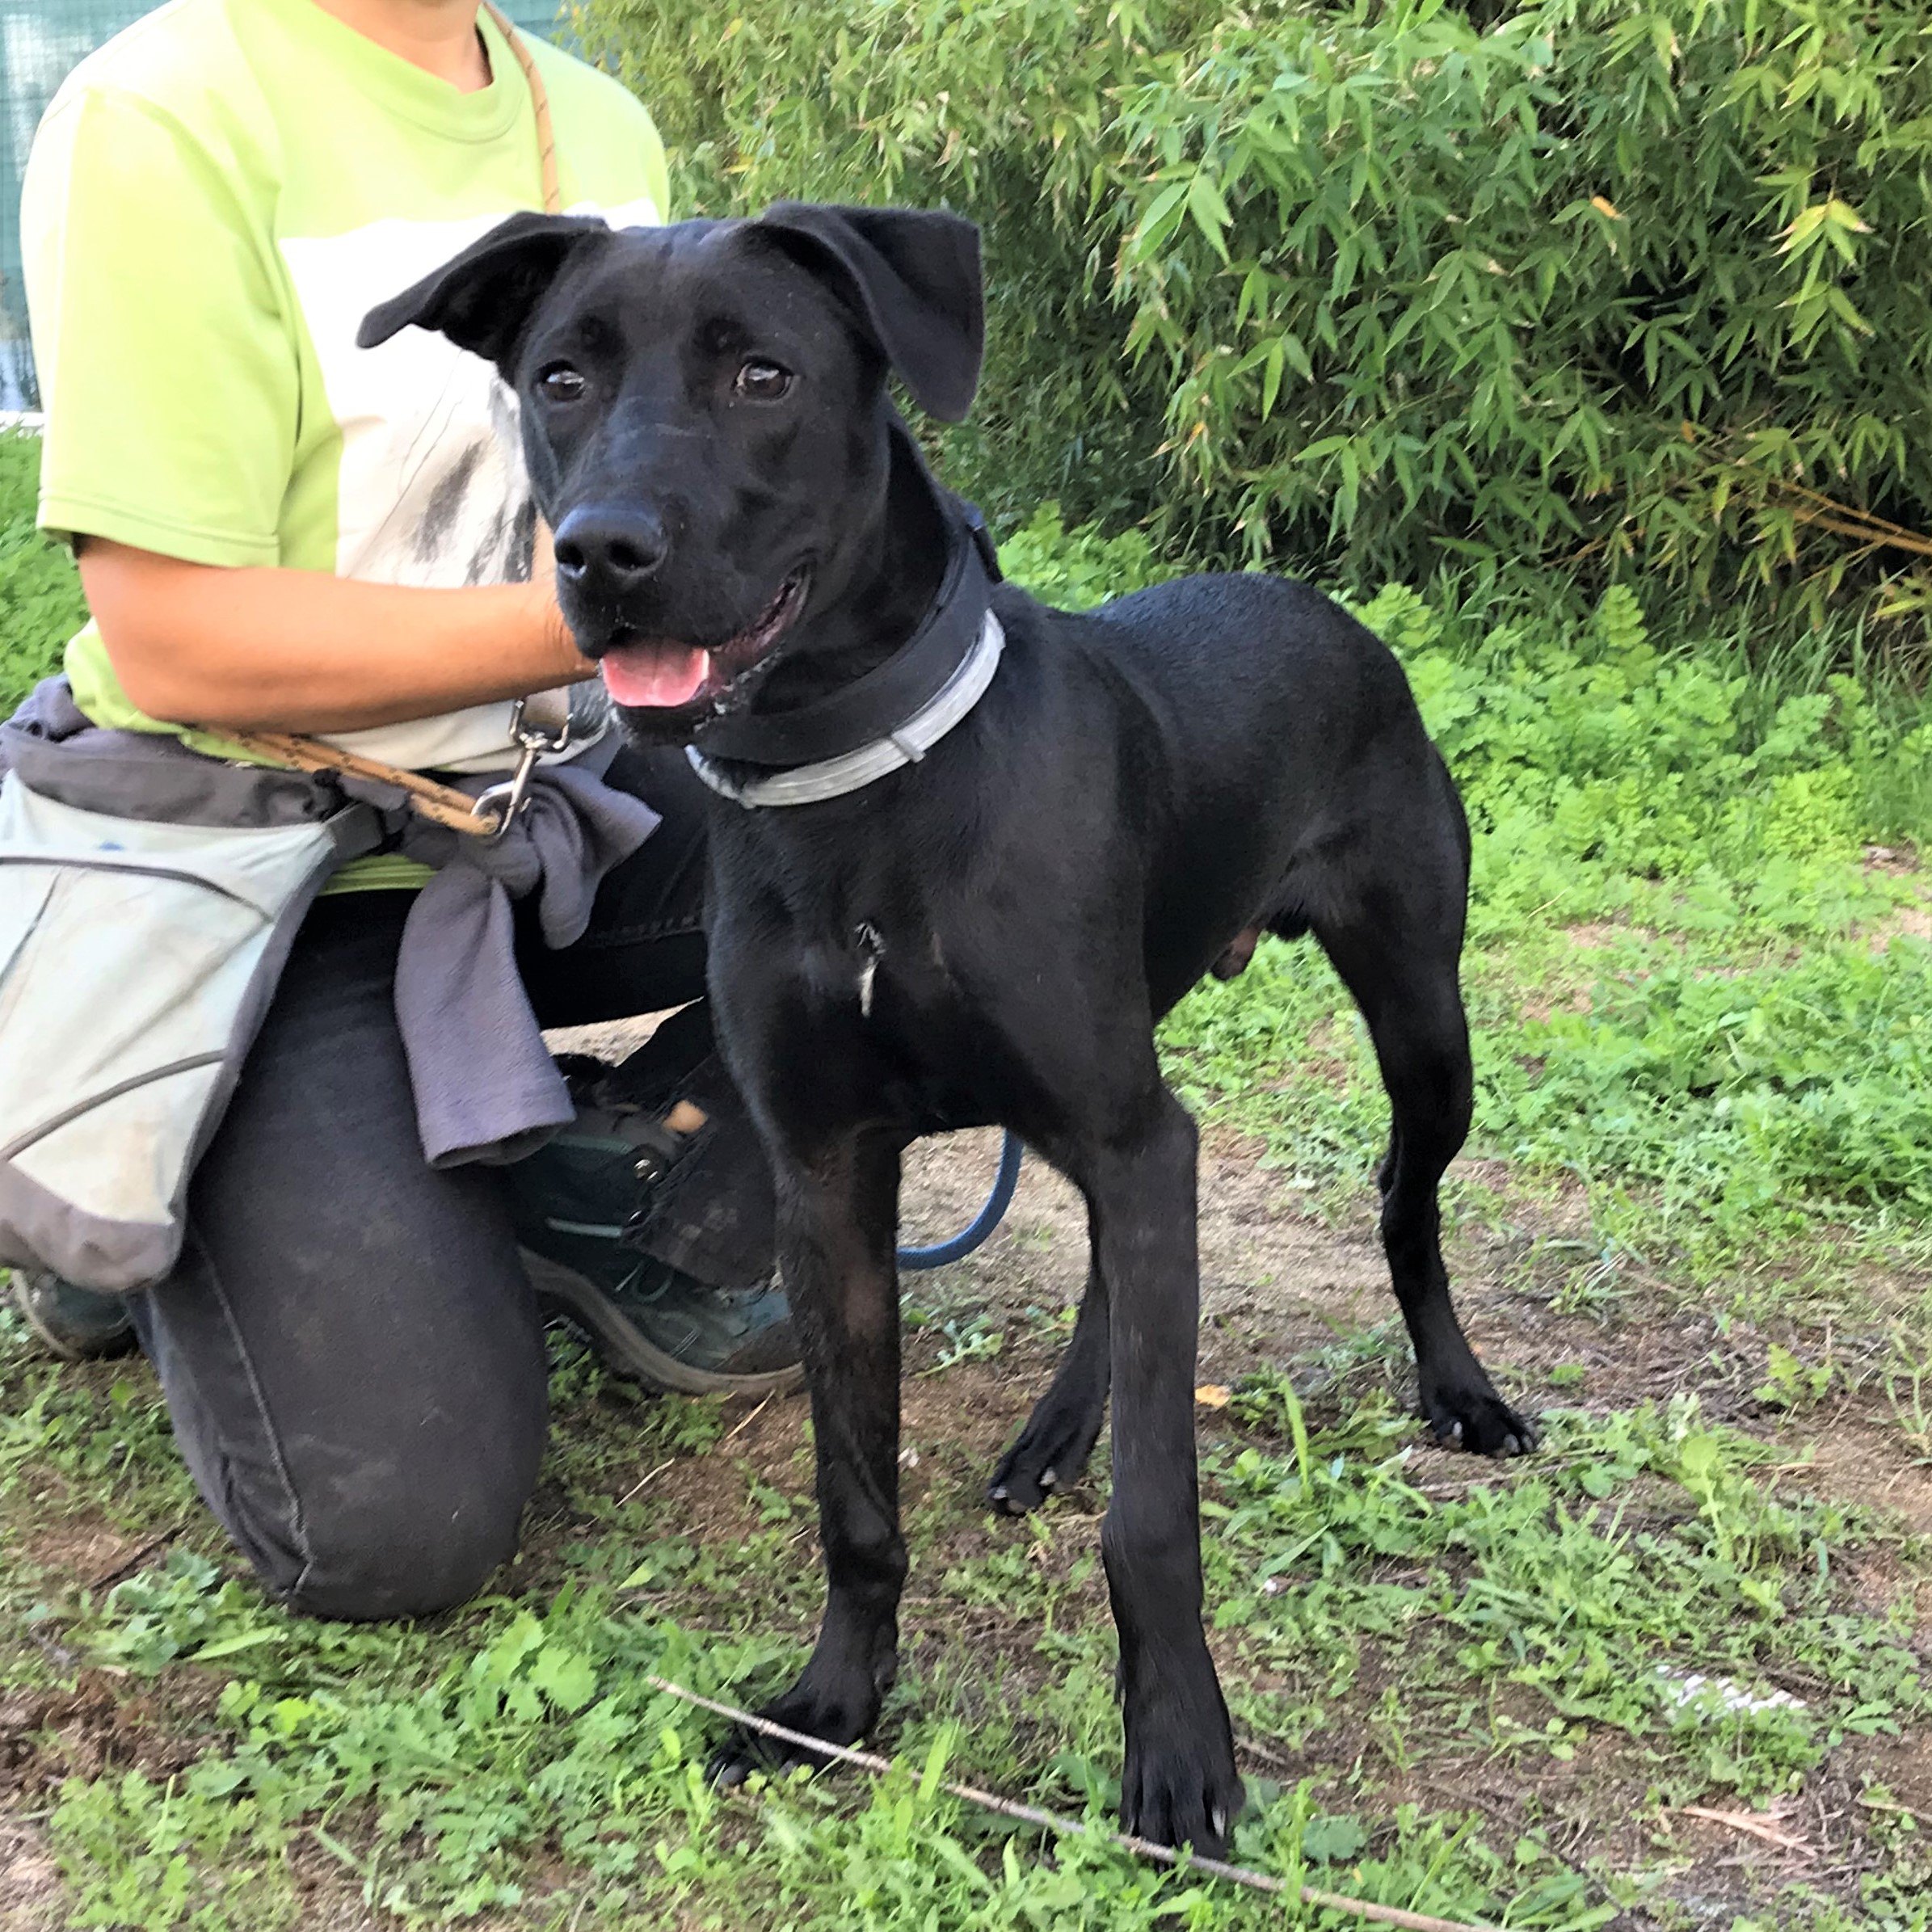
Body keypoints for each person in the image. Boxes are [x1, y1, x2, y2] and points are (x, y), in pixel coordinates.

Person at [7, 0, 796, 1619]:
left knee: (900, 828)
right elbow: (176, 634)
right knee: (393, 1524)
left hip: (528, 799)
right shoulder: (167, 113)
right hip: (261, 862)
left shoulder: (595, 122)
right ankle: (122, 1174)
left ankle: (598, 1190)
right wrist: (583, 617)